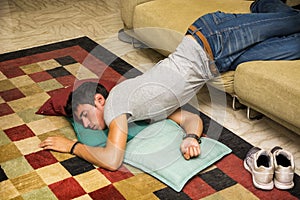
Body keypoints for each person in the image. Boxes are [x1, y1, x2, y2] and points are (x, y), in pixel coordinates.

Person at [39, 0, 300, 171]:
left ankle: (264, 4)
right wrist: (190, 138)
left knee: (292, 22)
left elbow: (112, 160)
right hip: (219, 62)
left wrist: (71, 146)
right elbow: (189, 118)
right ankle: (271, 9)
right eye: (81, 122)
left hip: (211, 38)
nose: (85, 124)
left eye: (84, 114)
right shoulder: (139, 111)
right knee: (295, 44)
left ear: (99, 100)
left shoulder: (115, 105)